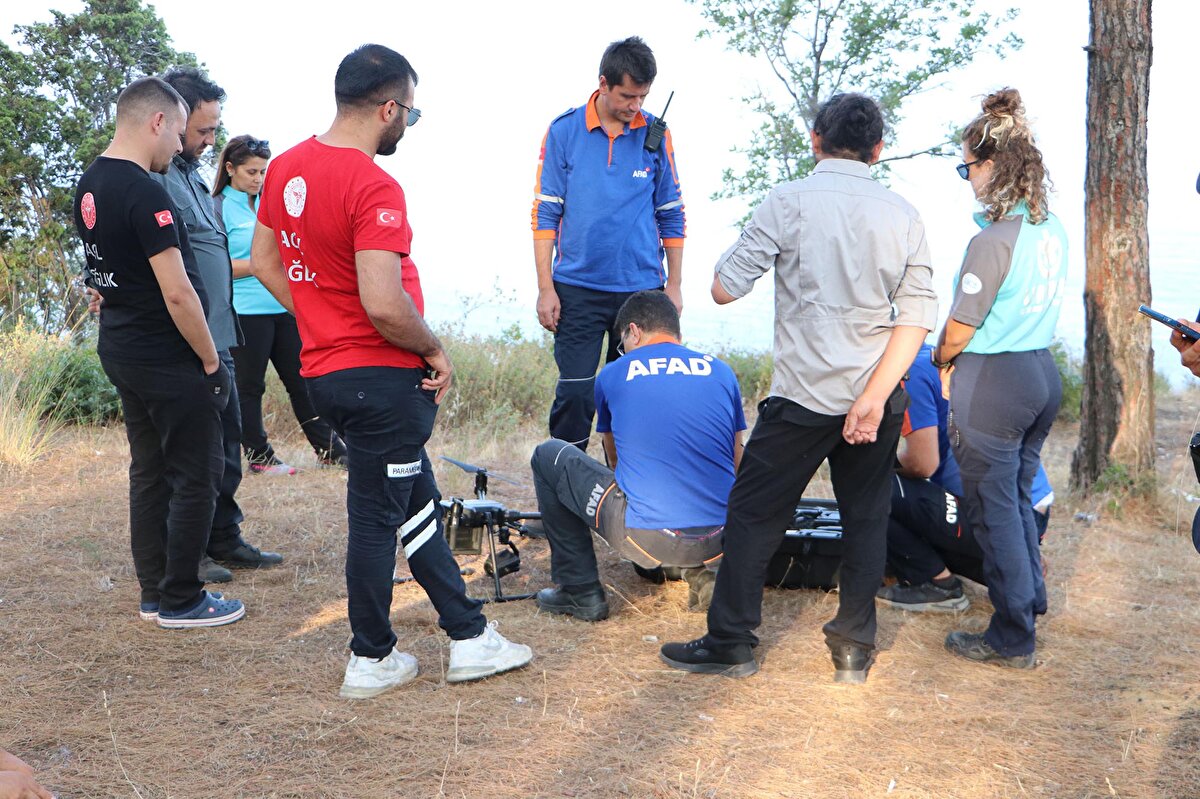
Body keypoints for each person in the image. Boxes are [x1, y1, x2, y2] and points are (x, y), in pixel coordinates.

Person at [250, 44, 533, 698]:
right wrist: (432, 346)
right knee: (376, 517)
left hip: (328, 372)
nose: (407, 123)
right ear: (388, 107)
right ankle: (371, 654)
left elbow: (266, 263)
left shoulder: (287, 166)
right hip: (380, 377)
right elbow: (382, 300)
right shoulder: (373, 183)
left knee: (415, 502)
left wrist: (319, 315)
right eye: (410, 111)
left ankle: (469, 635)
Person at [659, 92, 938, 684]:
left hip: (802, 395)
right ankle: (854, 649)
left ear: (816, 139)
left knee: (755, 512)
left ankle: (731, 640)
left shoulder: (787, 201)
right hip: (877, 395)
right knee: (866, 517)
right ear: (878, 150)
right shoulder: (904, 215)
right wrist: (872, 397)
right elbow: (915, 320)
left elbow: (723, 289)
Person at [73, 76, 245, 628]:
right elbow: (177, 291)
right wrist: (212, 361)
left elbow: (103, 267)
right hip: (166, 356)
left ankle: (154, 593)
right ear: (156, 122)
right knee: (196, 474)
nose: (180, 144)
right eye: (177, 130)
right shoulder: (147, 191)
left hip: (121, 347)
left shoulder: (91, 183)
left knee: (148, 471)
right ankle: (182, 599)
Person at [931, 88, 1068, 669]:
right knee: (1015, 496)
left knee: (992, 508)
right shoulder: (1050, 228)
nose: (966, 177)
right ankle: (1029, 598)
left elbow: (962, 326)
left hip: (995, 383)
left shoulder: (991, 242)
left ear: (991, 165)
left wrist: (940, 360)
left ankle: (1012, 636)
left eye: (967, 166)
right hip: (1040, 374)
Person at [530, 290, 746, 620]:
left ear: (634, 331)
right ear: (677, 332)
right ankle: (700, 571)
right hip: (720, 539)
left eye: (623, 343)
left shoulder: (615, 374)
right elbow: (736, 456)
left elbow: (614, 459)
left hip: (650, 538)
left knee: (549, 455)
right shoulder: (721, 372)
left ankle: (579, 590)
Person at [156, 67, 283, 580]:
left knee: (227, 446)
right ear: (173, 119)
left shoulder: (190, 175)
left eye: (214, 130)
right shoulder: (156, 177)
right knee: (192, 457)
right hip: (186, 341)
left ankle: (225, 537)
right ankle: (188, 553)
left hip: (221, 333)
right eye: (204, 131)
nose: (210, 141)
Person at [532, 36, 686, 452]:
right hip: (576, 290)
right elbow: (546, 211)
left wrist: (674, 285)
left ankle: (629, 497)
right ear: (603, 83)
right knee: (577, 393)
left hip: (641, 293)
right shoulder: (564, 130)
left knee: (634, 398)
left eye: (642, 97)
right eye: (627, 96)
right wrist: (546, 287)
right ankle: (563, 490)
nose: (635, 106)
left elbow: (671, 211)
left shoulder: (657, 135)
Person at [878, 343, 1054, 611]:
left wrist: (877, 467)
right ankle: (1019, 565)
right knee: (908, 502)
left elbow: (923, 463)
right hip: (1029, 509)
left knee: (873, 488)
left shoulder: (907, 373)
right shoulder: (930, 356)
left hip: (1004, 511)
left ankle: (938, 586)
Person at [213, 135, 347, 474]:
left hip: (283, 306)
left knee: (304, 381)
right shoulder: (217, 206)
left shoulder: (269, 202)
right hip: (244, 313)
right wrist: (264, 265)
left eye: (263, 172)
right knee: (249, 388)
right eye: (251, 172)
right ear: (230, 169)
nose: (258, 179)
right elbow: (216, 266)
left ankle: (331, 451)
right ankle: (259, 457)